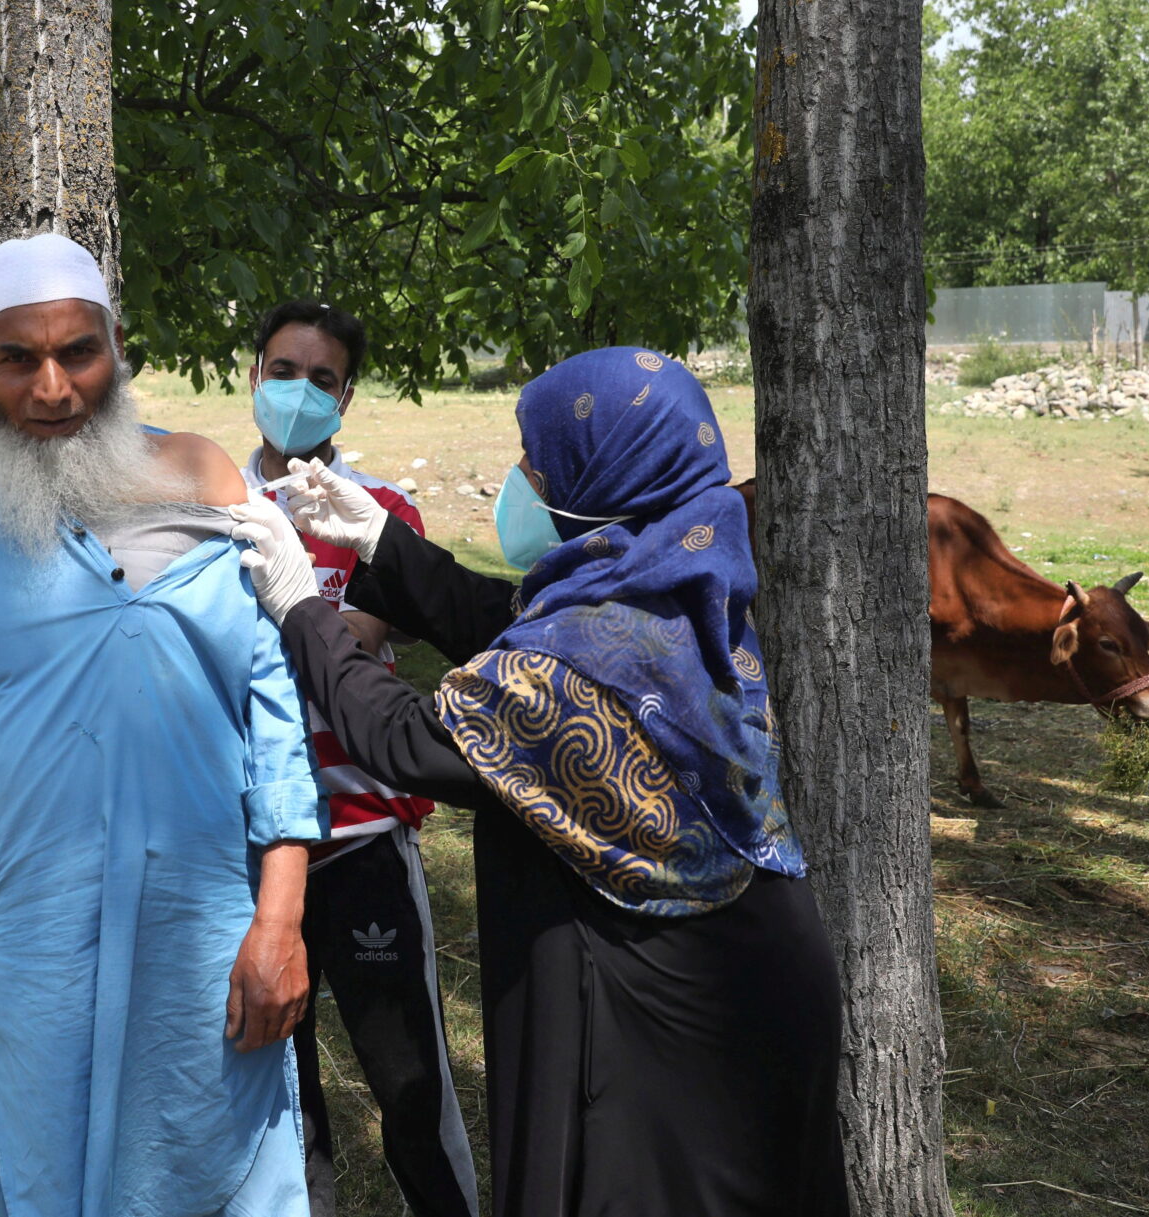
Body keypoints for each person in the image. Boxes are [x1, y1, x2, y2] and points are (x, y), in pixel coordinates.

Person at [231, 347, 849, 1217]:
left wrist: (300, 604)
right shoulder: (678, 581)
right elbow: (510, 619)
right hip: (753, 966)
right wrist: (382, 542)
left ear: (609, 471)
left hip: (662, 1010)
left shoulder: (572, 677)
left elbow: (404, 738)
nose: (521, 474)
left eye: (538, 458)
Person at [0, 233, 325, 1217]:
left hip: (204, 934)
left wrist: (279, 918)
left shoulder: (206, 478)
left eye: (77, 351)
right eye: (15, 358)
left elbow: (277, 727)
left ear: (116, 347)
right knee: (49, 1179)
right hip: (34, 945)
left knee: (218, 1168)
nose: (51, 387)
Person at [241, 300, 477, 1217]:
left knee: (411, 1080)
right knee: (280, 1098)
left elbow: (357, 634)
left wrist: (283, 607)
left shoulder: (379, 510)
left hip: (364, 835)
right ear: (253, 376)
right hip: (254, 848)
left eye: (323, 379)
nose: (299, 390)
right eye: (283, 370)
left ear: (347, 399)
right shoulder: (210, 502)